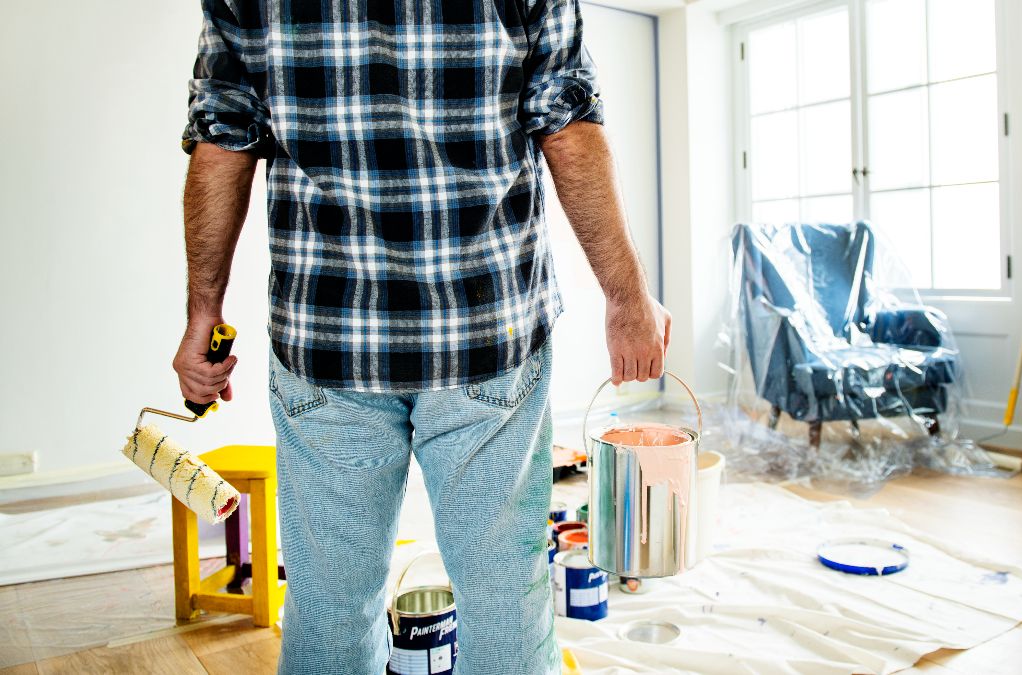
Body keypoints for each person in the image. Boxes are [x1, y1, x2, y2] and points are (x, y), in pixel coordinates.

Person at [171, 1, 669, 673]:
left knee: (329, 604)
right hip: (488, 333)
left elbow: (224, 135)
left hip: (328, 338)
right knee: (505, 599)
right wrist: (627, 297)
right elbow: (567, 124)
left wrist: (204, 310)